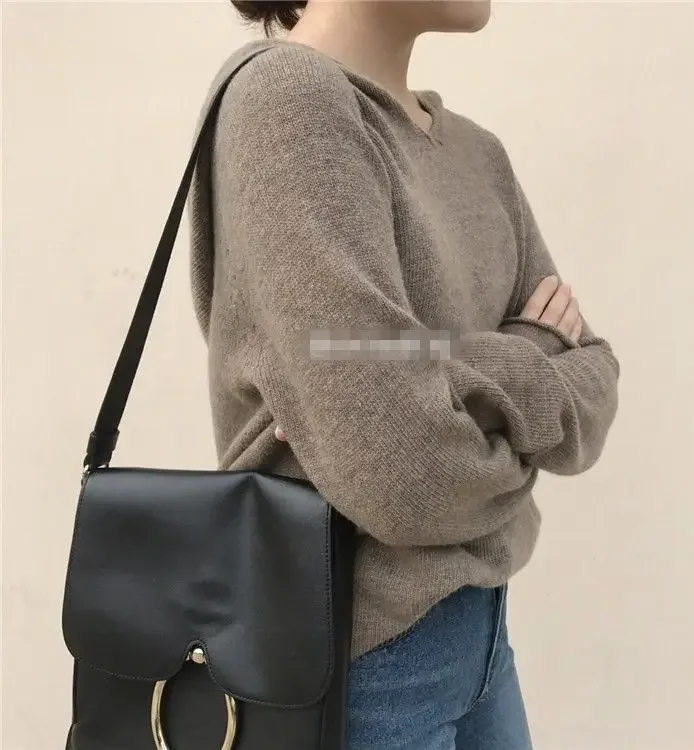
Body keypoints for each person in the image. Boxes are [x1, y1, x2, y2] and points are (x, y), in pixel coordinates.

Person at [188, 2, 620, 747]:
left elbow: (597, 375)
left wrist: (424, 377)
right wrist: (528, 351)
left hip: (486, 638)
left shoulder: (479, 154)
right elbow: (404, 474)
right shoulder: (288, 99)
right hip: (362, 664)